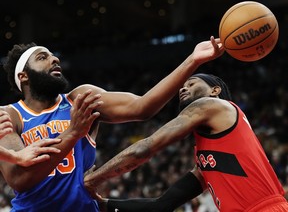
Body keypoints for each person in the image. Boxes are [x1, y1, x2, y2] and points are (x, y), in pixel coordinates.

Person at [0, 36, 224, 211]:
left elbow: (142, 107)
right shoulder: (10, 115)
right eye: (42, 58)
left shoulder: (80, 99)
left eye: (52, 55)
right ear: (24, 77)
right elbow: (20, 178)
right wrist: (73, 133)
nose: (54, 59)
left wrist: (193, 60)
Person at [84, 73, 288, 211]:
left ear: (215, 90)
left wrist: (92, 179)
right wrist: (103, 204)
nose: (183, 88)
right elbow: (161, 205)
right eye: (183, 86)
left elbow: (145, 148)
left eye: (191, 83)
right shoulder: (206, 159)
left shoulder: (213, 105)